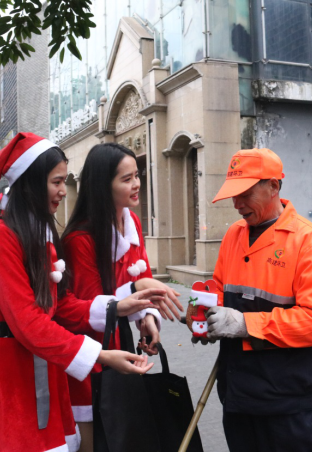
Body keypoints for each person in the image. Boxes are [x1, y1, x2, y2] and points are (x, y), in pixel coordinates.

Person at [0, 132, 169, 451]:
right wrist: (101, 354)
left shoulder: (41, 233)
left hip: (50, 360)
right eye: (56, 182)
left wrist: (125, 307)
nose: (64, 191)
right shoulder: (1, 236)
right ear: (30, 182)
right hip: (12, 366)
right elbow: (27, 322)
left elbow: (61, 308)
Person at [202, 148, 312, 452]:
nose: (237, 205)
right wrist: (201, 312)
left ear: (274, 187)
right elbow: (219, 286)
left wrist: (244, 324)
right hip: (238, 394)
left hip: (286, 401)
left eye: (245, 194)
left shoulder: (309, 243)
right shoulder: (234, 235)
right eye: (233, 195)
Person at [61, 143, 184, 449]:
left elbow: (138, 279)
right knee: (96, 440)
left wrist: (147, 320)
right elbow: (89, 309)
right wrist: (135, 293)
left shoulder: (132, 222)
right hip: (89, 355)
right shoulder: (80, 239)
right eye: (126, 179)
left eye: (137, 175)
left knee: (124, 434)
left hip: (121, 347)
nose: (137, 184)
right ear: (104, 185)